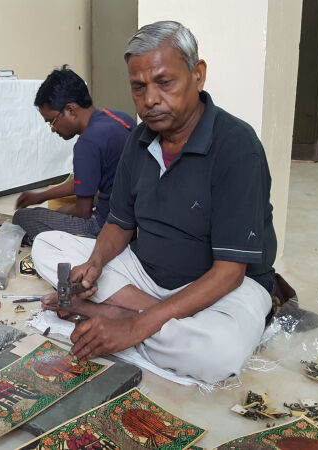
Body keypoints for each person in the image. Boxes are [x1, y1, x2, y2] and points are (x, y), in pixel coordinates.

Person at [31, 21, 277, 384]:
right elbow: (119, 223)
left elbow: (229, 272)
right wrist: (95, 263)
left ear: (198, 75)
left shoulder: (237, 147)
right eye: (139, 87)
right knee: (45, 244)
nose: (150, 100)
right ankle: (143, 316)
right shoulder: (139, 140)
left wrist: (134, 327)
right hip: (146, 273)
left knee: (218, 356)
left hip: (223, 286)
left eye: (165, 82)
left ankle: (121, 315)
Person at [13, 66, 136, 244]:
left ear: (70, 110)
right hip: (129, 220)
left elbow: (82, 213)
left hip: (103, 228)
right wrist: (40, 196)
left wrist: (60, 212)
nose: (53, 129)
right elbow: (85, 181)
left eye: (52, 121)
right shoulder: (119, 118)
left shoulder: (87, 143)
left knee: (22, 218)